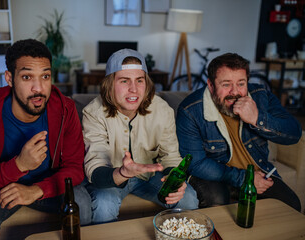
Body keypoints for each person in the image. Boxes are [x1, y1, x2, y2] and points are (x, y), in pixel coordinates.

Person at [0, 39, 91, 239]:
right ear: (10, 78)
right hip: (2, 190)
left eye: (45, 76)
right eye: (27, 77)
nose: (38, 88)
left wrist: (36, 190)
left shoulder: (65, 109)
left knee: (81, 201)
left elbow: (75, 168)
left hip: (47, 187)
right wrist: (19, 165)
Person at [82, 49, 198, 224]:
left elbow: (171, 156)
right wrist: (123, 172)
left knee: (188, 197)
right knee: (104, 204)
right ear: (109, 84)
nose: (134, 89)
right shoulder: (93, 112)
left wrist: (175, 180)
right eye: (124, 81)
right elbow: (95, 168)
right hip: (113, 179)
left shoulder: (162, 109)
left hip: (150, 179)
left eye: (139, 80)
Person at [176, 53, 302, 211]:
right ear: (211, 85)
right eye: (226, 84)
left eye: (241, 83)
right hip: (213, 177)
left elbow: (294, 133)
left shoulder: (261, 96)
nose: (234, 92)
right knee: (217, 201)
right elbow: (196, 163)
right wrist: (244, 178)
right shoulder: (190, 110)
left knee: (291, 205)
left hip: (256, 173)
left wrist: (257, 119)